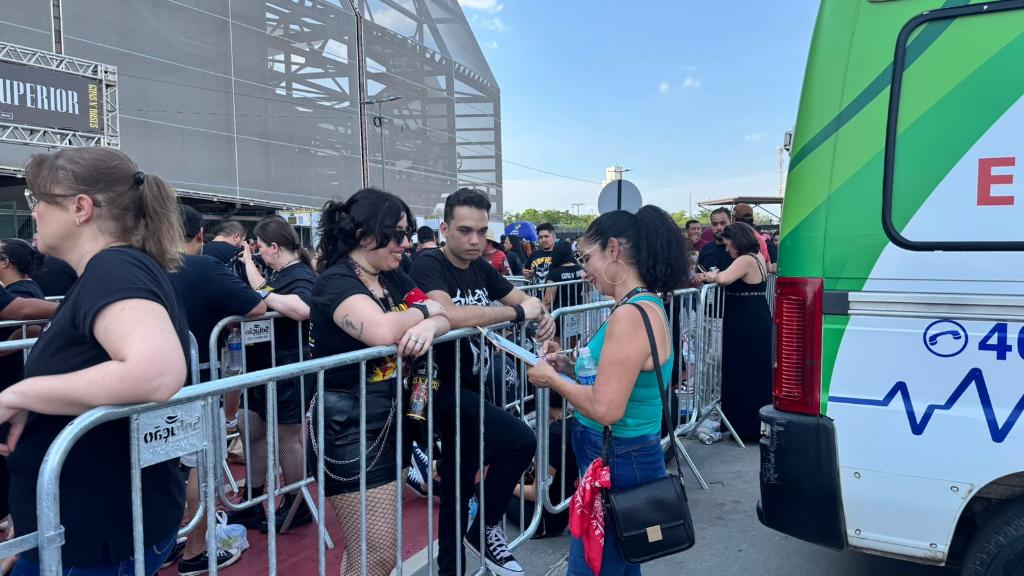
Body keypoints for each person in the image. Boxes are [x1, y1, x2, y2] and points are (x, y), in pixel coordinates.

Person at [1, 147, 189, 575]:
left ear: (80, 208)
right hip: (87, 527)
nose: (34, 213)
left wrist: (21, 393)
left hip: (93, 537)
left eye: (38, 200)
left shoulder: (114, 269)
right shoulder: (114, 268)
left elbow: (156, 373)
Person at [526, 205, 688, 576]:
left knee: (594, 565)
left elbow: (606, 408)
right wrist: (565, 363)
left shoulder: (631, 314)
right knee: (619, 563)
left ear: (613, 249)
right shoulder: (638, 306)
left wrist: (552, 380)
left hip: (618, 459)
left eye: (586, 258)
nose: (584, 270)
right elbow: (615, 373)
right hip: (620, 456)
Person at [309, 188, 449, 576]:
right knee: (378, 555)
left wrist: (429, 324)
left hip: (389, 418)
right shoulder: (335, 282)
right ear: (364, 235)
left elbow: (444, 314)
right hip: (348, 426)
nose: (406, 243)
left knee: (365, 553)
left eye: (407, 233)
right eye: (397, 234)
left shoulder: (390, 276)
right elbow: (382, 331)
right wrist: (423, 312)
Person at [410, 188, 549, 576]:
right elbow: (448, 315)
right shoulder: (429, 263)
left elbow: (529, 301)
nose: (475, 240)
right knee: (521, 440)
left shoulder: (480, 266)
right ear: (444, 229)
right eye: (465, 230)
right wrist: (516, 312)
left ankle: (452, 567)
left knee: (457, 488)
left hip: (472, 387)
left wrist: (544, 316)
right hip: (440, 388)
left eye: (482, 231)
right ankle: (484, 528)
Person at [170, 206, 266, 575]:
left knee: (161, 466)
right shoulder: (203, 267)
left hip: (148, 386)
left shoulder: (142, 265)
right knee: (200, 465)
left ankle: (164, 543)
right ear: (200, 235)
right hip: (196, 383)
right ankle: (196, 552)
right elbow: (256, 306)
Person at [232, 215, 318, 533]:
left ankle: (296, 504)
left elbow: (301, 309)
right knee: (250, 426)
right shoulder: (276, 274)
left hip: (288, 365)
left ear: (274, 246)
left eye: (259, 247)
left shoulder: (300, 274)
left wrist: (259, 285)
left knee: (287, 437)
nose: (257, 253)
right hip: (262, 365)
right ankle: (252, 500)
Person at [697, 222, 772, 443]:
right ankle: (749, 423)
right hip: (754, 315)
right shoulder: (758, 256)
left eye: (729, 244)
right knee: (753, 371)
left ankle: (745, 425)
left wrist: (708, 276)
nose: (727, 249)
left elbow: (724, 279)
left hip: (745, 320)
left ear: (737, 241)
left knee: (742, 371)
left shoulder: (745, 259)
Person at [0, 239, 45, 529]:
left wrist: (6, 348)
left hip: (10, 385)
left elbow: (30, 322)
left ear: (6, 262)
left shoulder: (23, 291)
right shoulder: (25, 289)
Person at [504, 391, 578, 539]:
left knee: (486, 485)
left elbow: (535, 493)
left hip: (544, 520)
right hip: (565, 510)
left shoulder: (554, 435)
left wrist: (506, 485)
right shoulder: (576, 423)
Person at [29, 233, 77, 297]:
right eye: (34, 240)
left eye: (37, 240)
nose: (36, 243)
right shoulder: (68, 260)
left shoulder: (29, 263)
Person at [698, 207, 734, 273]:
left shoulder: (739, 248)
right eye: (714, 224)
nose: (718, 228)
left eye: (723, 223)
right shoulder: (705, 249)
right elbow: (700, 271)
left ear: (731, 223)